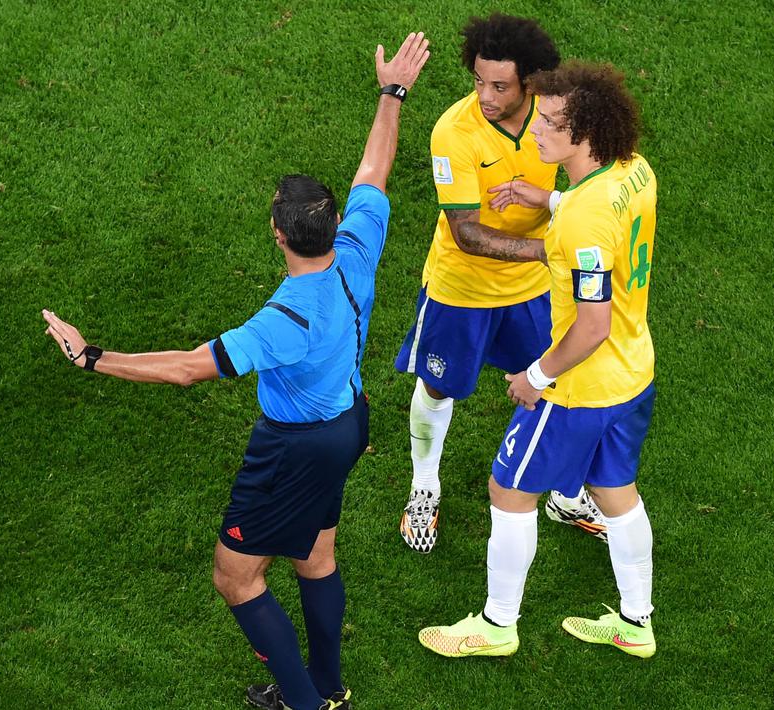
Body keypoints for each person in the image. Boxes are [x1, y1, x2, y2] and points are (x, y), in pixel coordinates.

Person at [42, 32, 430, 710]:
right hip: (347, 420)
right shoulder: (357, 249)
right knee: (314, 557)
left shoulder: (283, 320)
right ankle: (330, 689)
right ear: (333, 222)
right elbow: (374, 168)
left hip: (295, 447)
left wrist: (92, 356)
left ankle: (305, 703)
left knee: (236, 578)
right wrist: (390, 93)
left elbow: (188, 369)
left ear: (276, 234)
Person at [419, 60, 659, 658]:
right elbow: (598, 224)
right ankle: (636, 621)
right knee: (615, 489)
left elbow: (592, 324)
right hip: (636, 372)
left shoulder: (581, 218)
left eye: (551, 124)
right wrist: (551, 197)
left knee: (508, 490)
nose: (537, 133)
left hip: (580, 387)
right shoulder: (634, 171)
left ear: (585, 134)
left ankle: (496, 627)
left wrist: (535, 376)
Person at [393, 13, 605, 554]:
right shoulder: (454, 132)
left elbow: (590, 182)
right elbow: (465, 232)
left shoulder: (557, 116)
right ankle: (424, 484)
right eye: (478, 81)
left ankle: (562, 491)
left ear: (531, 82)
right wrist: (550, 252)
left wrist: (552, 215)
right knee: (438, 387)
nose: (485, 95)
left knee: (555, 383)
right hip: (461, 290)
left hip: (532, 288)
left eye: (499, 85)